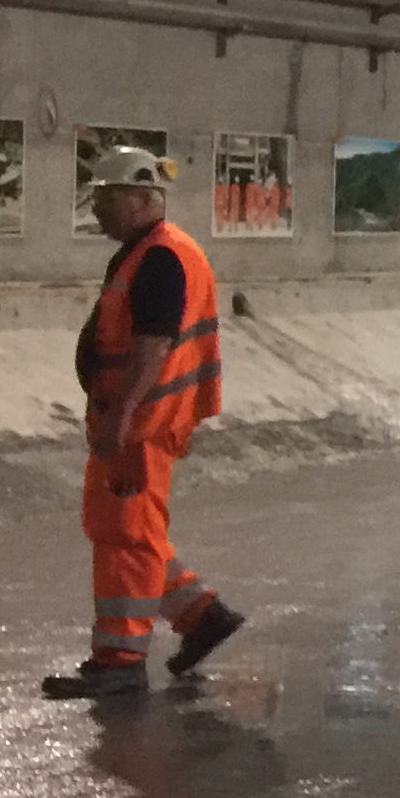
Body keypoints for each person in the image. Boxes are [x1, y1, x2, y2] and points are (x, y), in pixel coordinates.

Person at [42, 148, 245, 699]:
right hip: (141, 419)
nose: (98, 212)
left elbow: (152, 346)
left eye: (106, 200)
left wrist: (124, 419)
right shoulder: (153, 252)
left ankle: (120, 660)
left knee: (124, 535)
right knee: (127, 528)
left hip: (138, 422)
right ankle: (201, 615)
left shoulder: (158, 258)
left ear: (141, 198)